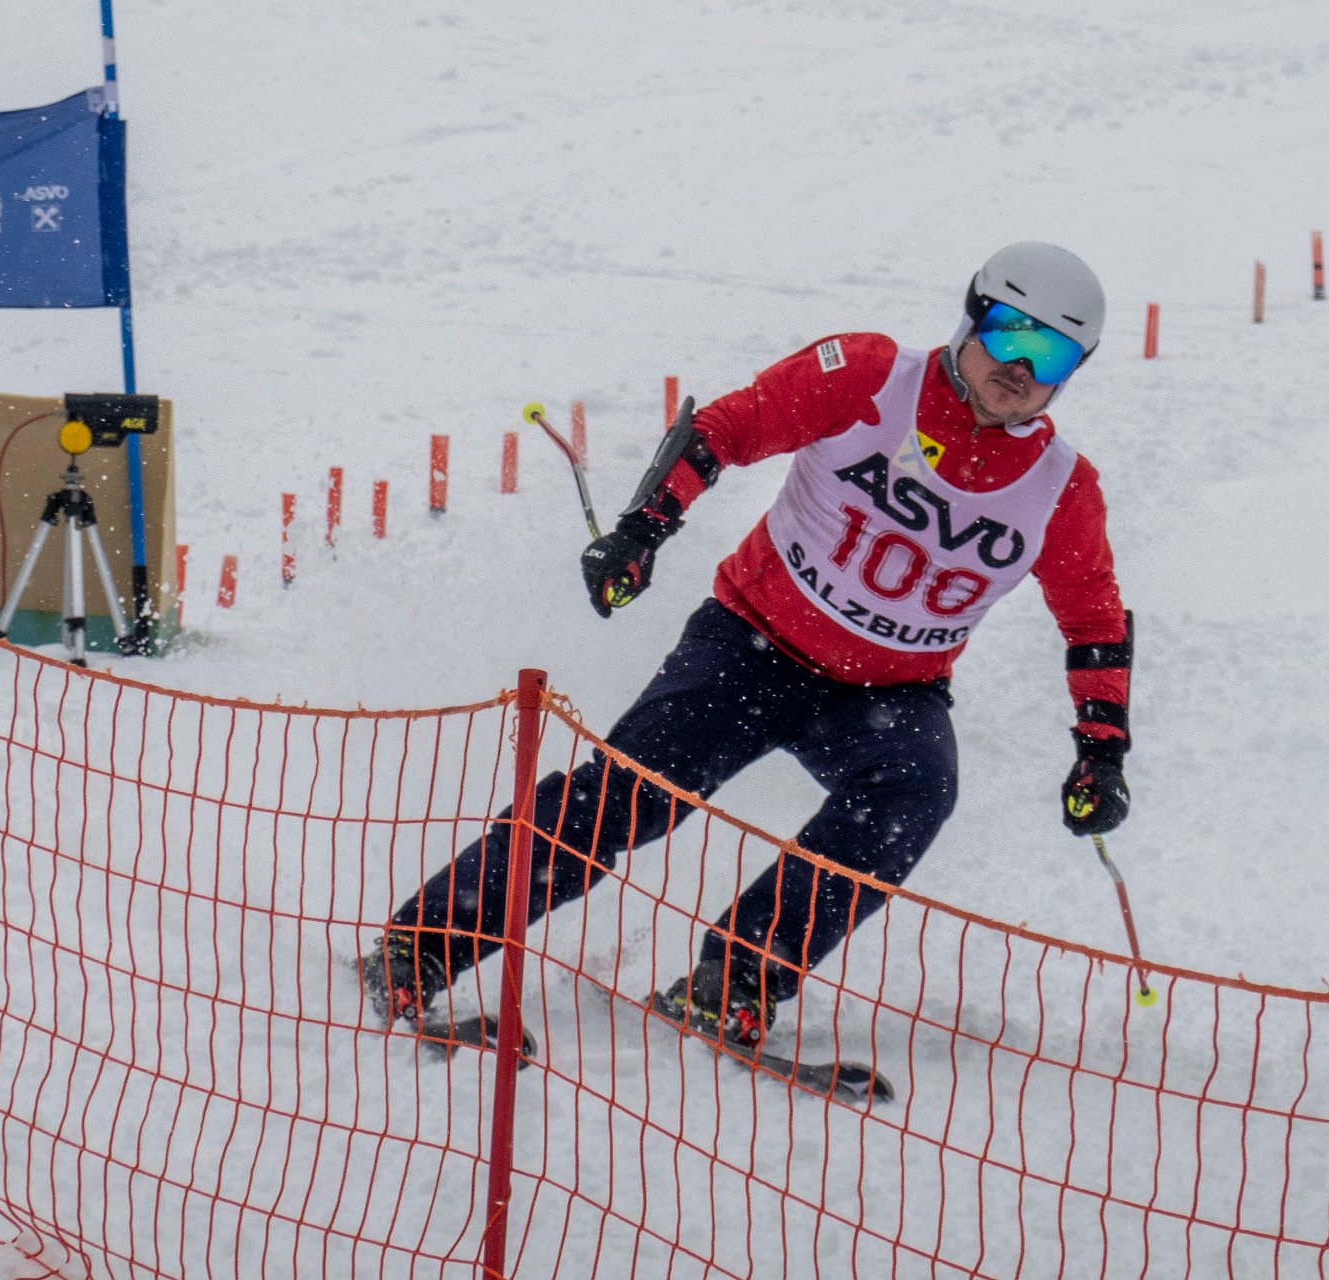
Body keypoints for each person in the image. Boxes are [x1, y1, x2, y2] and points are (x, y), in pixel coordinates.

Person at [365, 242, 1133, 1050]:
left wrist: (1102, 752)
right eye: (1010, 331)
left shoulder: (1061, 488)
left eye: (1052, 353)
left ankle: (736, 980)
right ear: (971, 319)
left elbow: (1095, 622)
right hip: (753, 646)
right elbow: (727, 429)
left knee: (915, 790)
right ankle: (422, 947)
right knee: (626, 798)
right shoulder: (870, 377)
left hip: (886, 694)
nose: (1020, 366)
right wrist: (642, 532)